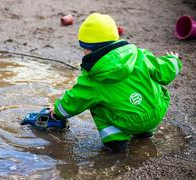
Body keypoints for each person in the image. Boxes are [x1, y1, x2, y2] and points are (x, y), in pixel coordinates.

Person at [50, 13, 182, 153]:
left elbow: (75, 100)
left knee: (95, 104)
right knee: (150, 86)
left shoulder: (93, 78)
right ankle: (145, 133)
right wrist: (173, 60)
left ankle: (115, 141)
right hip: (156, 112)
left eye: (84, 49)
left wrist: (57, 112)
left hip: (128, 122)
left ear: (88, 49)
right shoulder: (139, 55)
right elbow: (164, 71)